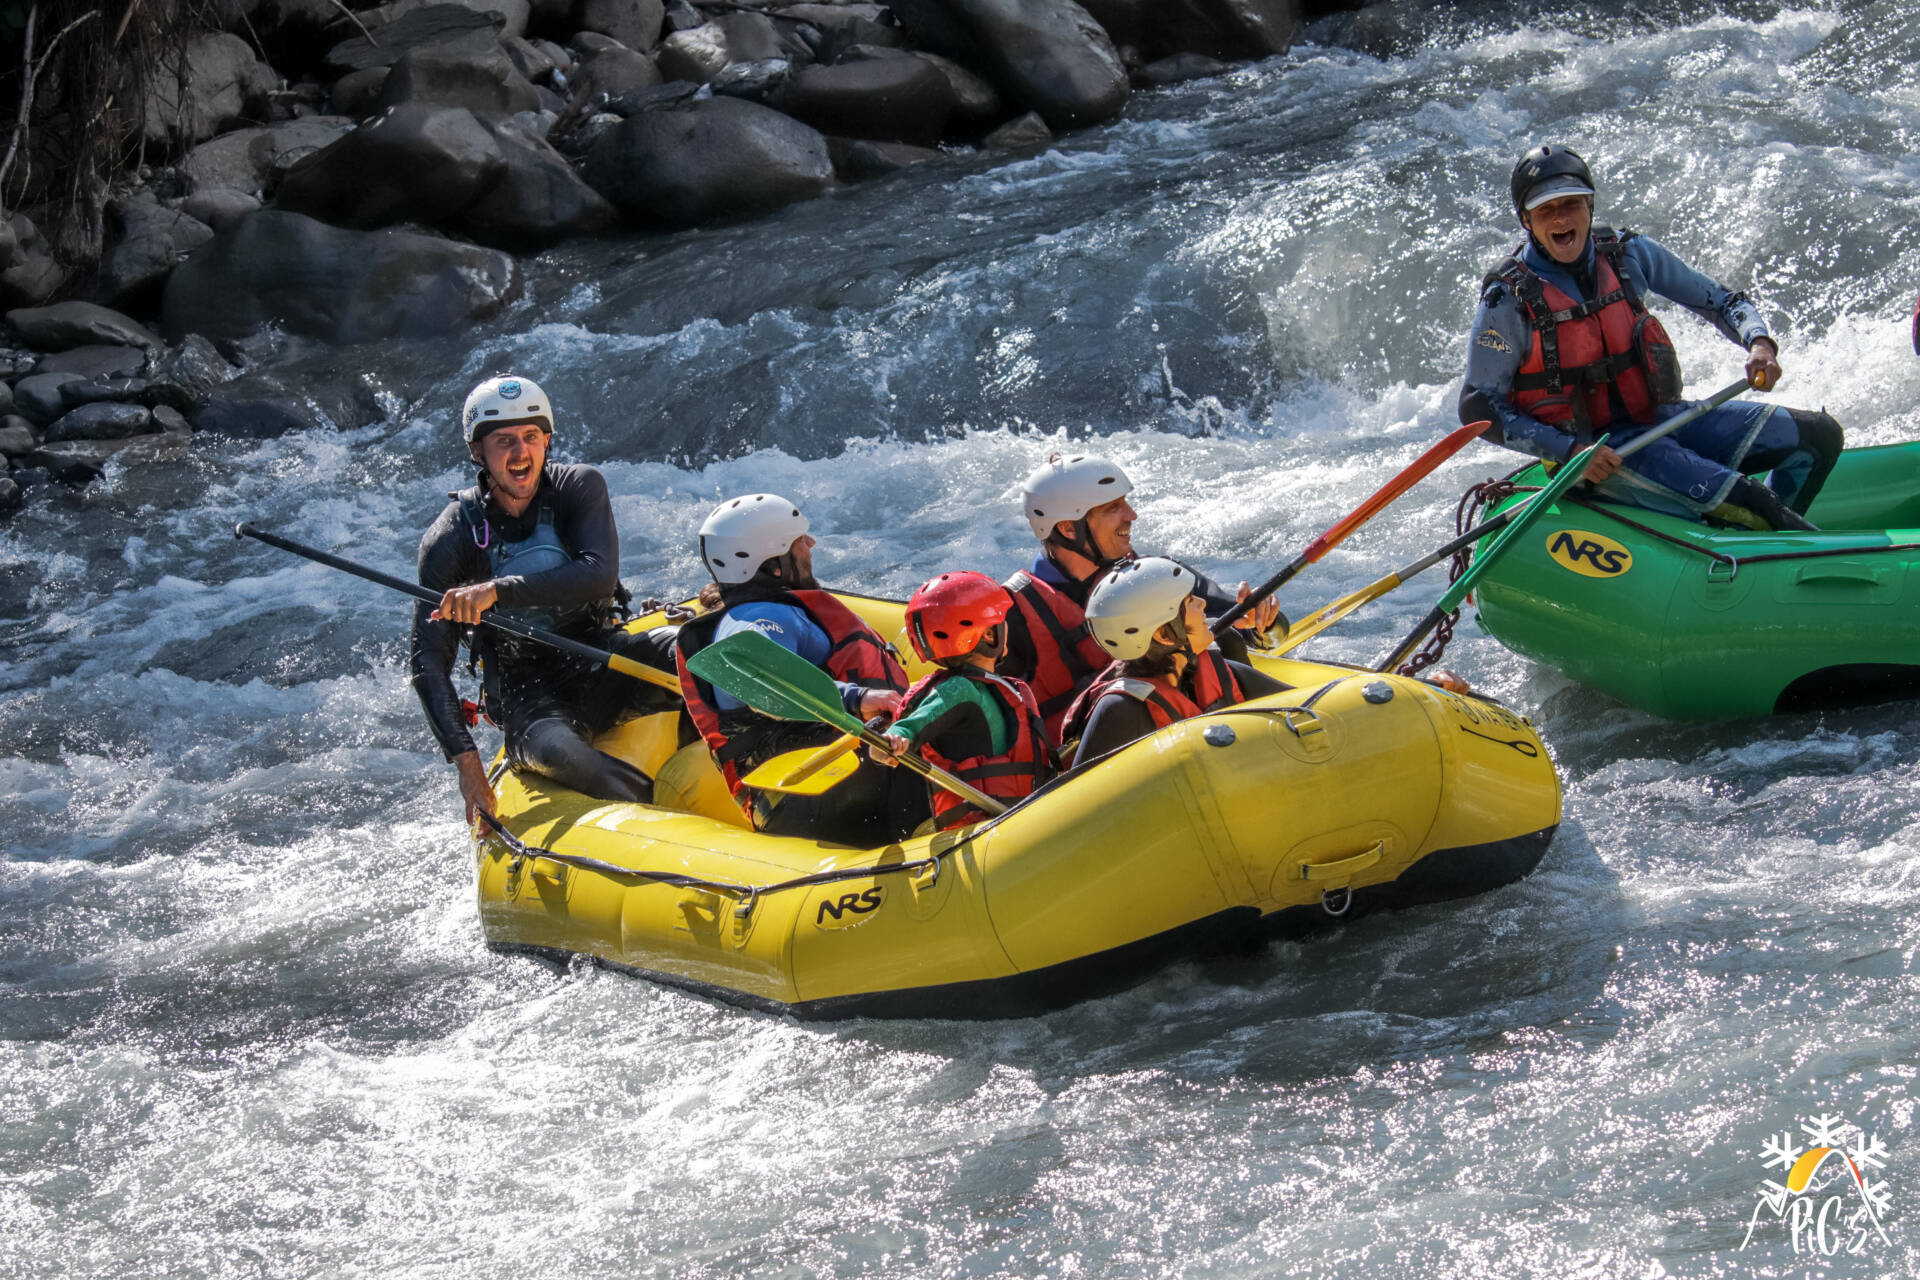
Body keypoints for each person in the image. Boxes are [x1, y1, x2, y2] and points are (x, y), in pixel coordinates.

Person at [1460, 143, 1842, 531]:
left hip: (1661, 420)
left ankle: (1775, 544)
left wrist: (1758, 341)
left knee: (1818, 436)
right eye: (1546, 209)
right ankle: (1779, 539)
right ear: (1527, 220)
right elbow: (1478, 407)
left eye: (1571, 204)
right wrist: (1572, 452)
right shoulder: (1507, 298)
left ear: (1589, 206)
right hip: (1596, 456)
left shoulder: (1627, 255)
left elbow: (1722, 301)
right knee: (1754, 501)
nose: (1560, 219)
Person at [410, 375, 679, 823]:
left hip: (602, 657)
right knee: (564, 753)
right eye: (503, 441)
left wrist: (495, 591)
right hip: (528, 698)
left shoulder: (579, 487)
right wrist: (467, 764)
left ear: (547, 440)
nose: (520, 453)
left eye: (531, 437)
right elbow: (427, 662)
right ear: (478, 452)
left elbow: (597, 576)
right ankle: (674, 823)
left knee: (694, 652)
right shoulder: (452, 536)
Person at [673, 493, 916, 844]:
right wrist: (856, 698)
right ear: (772, 563)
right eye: (799, 540)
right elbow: (755, 678)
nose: (811, 543)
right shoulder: (760, 617)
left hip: (817, 791)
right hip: (811, 795)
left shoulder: (761, 609)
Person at [1002, 452, 1284, 743]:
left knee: (1225, 642)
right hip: (1095, 765)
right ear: (1068, 528)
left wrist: (1264, 623)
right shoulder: (1011, 617)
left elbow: (1268, 638)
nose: (1132, 515)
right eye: (1114, 508)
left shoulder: (1157, 577)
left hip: (1196, 737)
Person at [1059, 557, 1292, 767]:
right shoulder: (1120, 712)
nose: (1202, 603)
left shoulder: (1222, 672)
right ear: (1163, 633)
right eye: (1190, 601)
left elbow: (1310, 707)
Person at [871, 571, 1053, 832]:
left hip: (1017, 815)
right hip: (982, 833)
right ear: (990, 634)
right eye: (1002, 620)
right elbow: (914, 724)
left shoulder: (998, 686)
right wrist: (891, 739)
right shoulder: (960, 689)